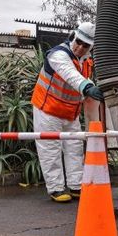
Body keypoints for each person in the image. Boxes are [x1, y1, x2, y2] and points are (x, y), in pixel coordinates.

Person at [31, 21, 104, 203]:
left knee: (75, 149)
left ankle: (75, 185)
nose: (80, 47)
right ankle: (55, 189)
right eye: (78, 41)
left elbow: (81, 76)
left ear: (91, 47)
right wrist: (88, 87)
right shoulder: (58, 55)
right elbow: (70, 74)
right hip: (48, 109)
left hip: (70, 112)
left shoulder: (86, 60)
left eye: (85, 45)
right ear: (73, 36)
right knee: (50, 150)